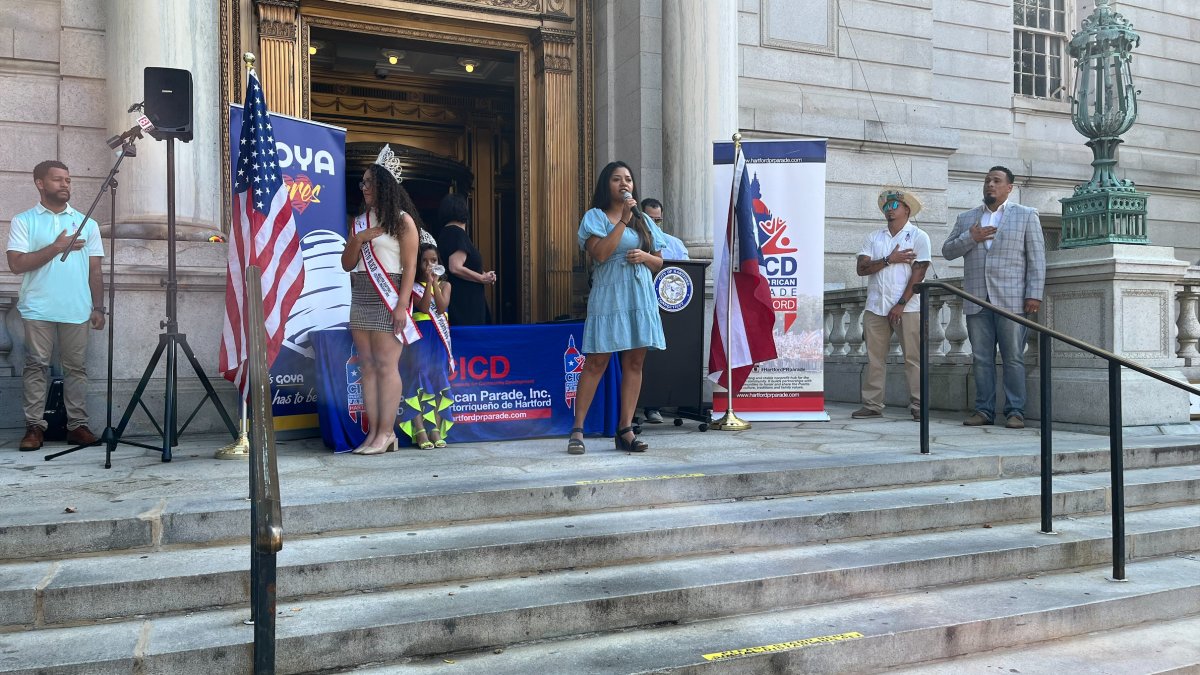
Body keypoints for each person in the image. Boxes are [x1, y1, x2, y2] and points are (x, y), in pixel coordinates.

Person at [568, 161, 669, 454]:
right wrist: (623, 220)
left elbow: (660, 261)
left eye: (628, 179)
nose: (624, 184)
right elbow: (599, 254)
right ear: (606, 185)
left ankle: (625, 429)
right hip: (609, 295)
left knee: (635, 363)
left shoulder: (644, 219)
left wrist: (644, 257)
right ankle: (578, 429)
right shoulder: (595, 217)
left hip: (639, 295)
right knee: (597, 361)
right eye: (616, 179)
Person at [7, 160, 105, 451]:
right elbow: (15, 264)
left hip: (77, 308)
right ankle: (34, 427)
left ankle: (77, 426)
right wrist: (56, 247)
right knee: (36, 366)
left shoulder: (88, 224)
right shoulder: (23, 221)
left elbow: (95, 270)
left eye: (68, 180)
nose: (65, 185)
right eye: (58, 180)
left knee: (76, 368)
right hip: (37, 308)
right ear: (40, 183)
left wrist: (98, 307)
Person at [942, 166, 1046, 429]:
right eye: (987, 180)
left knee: (1013, 357)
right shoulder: (967, 219)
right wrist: (971, 237)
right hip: (977, 299)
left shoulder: (1025, 215)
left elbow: (1037, 258)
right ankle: (984, 409)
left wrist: (1034, 293)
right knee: (981, 358)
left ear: (1009, 187)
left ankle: (1015, 411)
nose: (990, 185)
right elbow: (947, 251)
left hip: (1012, 299)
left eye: (996, 181)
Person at [340, 145, 420, 455]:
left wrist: (402, 305)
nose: (365, 188)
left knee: (387, 366)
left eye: (370, 182)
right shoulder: (360, 222)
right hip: (361, 292)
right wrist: (358, 239)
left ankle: (387, 433)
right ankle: (373, 432)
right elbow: (347, 264)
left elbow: (411, 267)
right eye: (362, 183)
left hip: (391, 295)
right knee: (368, 367)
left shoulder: (402, 221)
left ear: (385, 185)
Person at [850, 189, 932, 422]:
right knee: (874, 358)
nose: (889, 208)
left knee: (913, 357)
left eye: (894, 204)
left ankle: (918, 404)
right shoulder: (874, 237)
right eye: (886, 205)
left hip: (908, 307)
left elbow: (919, 273)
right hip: (876, 305)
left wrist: (901, 304)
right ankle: (872, 404)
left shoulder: (918, 236)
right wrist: (889, 260)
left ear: (906, 209)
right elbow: (861, 269)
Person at [637, 197, 688, 425]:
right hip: (640, 306)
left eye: (659, 220)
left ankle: (658, 404)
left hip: (672, 312)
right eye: (651, 219)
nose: (655, 225)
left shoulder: (674, 244)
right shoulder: (633, 241)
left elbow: (688, 274)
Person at [399, 242, 454, 449]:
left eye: (434, 260)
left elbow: (440, 308)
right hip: (421, 338)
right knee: (419, 379)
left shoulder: (447, 285)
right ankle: (420, 430)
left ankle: (436, 429)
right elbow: (422, 306)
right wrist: (429, 284)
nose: (429, 265)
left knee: (438, 379)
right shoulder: (410, 286)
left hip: (438, 339)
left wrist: (436, 283)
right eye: (425, 261)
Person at [435, 193, 495, 325]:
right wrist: (481, 278)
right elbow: (455, 267)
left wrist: (483, 274)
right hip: (465, 302)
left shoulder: (446, 233)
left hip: (459, 298)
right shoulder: (456, 233)